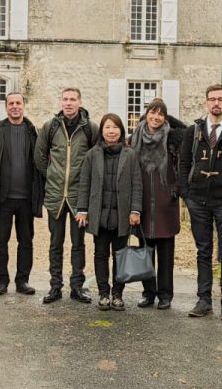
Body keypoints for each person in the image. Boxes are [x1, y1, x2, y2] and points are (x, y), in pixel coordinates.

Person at [178, 84, 222, 320]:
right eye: (212, 99)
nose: (216, 103)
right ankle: (204, 300)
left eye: (220, 99)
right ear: (206, 102)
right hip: (198, 199)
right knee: (203, 251)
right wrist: (186, 195)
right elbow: (183, 164)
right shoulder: (195, 130)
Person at [34, 88, 98, 304]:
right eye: (65, 99)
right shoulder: (50, 127)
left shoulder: (90, 128)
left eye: (73, 99)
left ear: (80, 102)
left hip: (79, 195)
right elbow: (39, 156)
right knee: (55, 243)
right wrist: (52, 175)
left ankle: (77, 287)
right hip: (55, 195)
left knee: (78, 244)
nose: (68, 103)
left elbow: (96, 157)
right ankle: (55, 286)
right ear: (61, 102)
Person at [0, 92, 44, 296]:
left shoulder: (33, 132)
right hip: (2, 198)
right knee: (0, 240)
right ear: (6, 107)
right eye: (11, 103)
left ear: (24, 105)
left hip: (26, 198)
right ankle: (1, 280)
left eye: (18, 103)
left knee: (26, 241)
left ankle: (22, 280)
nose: (15, 106)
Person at [75, 113, 142, 311]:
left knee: (120, 255)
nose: (111, 131)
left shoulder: (130, 155)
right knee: (100, 254)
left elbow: (137, 184)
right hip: (100, 215)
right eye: (107, 127)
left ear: (121, 130)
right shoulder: (92, 155)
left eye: (115, 127)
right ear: (101, 131)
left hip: (122, 214)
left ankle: (118, 294)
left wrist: (136, 210)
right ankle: (104, 293)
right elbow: (84, 183)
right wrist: (83, 210)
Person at [130, 99, 186, 309]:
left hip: (165, 202)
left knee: (165, 253)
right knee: (145, 251)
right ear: (145, 115)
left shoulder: (173, 140)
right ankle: (148, 292)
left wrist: (177, 189)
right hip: (142, 202)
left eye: (161, 114)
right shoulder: (134, 139)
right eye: (152, 113)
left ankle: (165, 295)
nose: (156, 118)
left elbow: (188, 132)